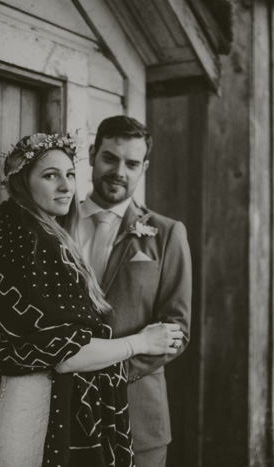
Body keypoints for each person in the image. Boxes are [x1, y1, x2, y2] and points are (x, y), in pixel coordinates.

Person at [0, 132, 183, 467]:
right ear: (22, 182)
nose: (66, 187)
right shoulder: (23, 239)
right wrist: (140, 341)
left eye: (69, 174)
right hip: (45, 415)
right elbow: (67, 354)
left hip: (65, 406)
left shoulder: (36, 230)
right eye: (51, 175)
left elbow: (178, 326)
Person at [78, 116, 192, 467]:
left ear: (143, 168)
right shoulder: (55, 226)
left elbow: (177, 331)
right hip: (62, 410)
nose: (119, 171)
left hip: (137, 414)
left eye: (131, 163)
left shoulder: (167, 233)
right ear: (93, 154)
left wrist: (108, 370)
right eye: (110, 158)